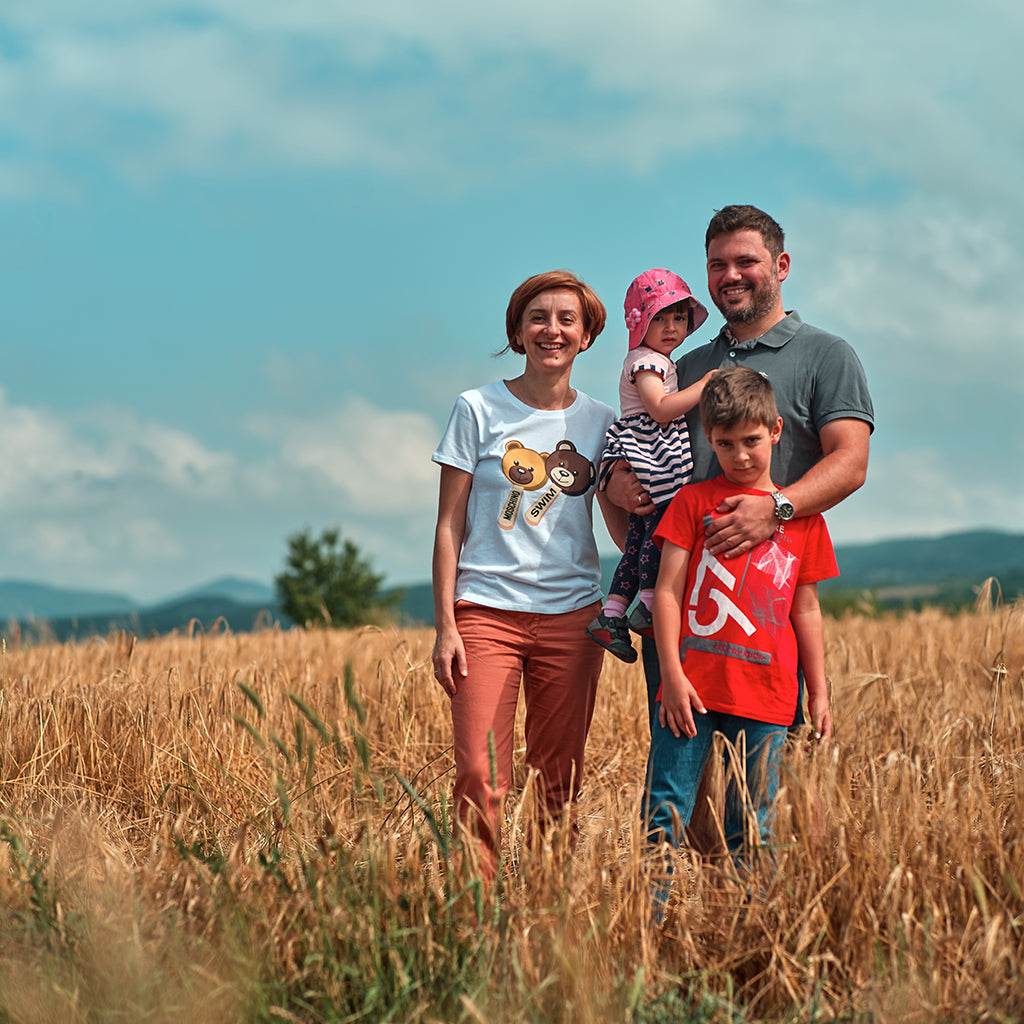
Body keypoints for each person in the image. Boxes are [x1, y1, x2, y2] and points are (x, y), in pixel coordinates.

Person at [605, 205, 873, 727]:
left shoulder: (827, 356)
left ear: (782, 266)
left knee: (773, 787)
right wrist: (614, 481)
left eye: (745, 261)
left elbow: (851, 462)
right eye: (716, 265)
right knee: (684, 782)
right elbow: (636, 448)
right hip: (683, 607)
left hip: (768, 609)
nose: (729, 276)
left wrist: (774, 509)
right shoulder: (683, 368)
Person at [431, 270, 625, 880]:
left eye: (568, 319)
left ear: (588, 336)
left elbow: (620, 528)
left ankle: (547, 913)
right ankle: (476, 917)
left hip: (573, 618)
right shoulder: (477, 408)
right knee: (479, 775)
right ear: (517, 331)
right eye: (538, 317)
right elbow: (448, 526)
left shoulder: (603, 421)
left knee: (559, 777)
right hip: (484, 614)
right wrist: (445, 625)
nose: (552, 330)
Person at [646, 367, 838, 882]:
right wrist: (672, 676)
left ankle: (753, 935)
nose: (741, 455)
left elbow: (807, 610)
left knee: (753, 824)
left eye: (752, 440)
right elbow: (666, 591)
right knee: (663, 815)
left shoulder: (803, 517)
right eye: (725, 443)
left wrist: (817, 691)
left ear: (776, 430)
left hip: (768, 695)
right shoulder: (692, 503)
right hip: (691, 691)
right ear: (709, 439)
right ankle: (647, 930)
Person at [585, 270, 715, 664]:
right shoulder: (646, 362)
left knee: (638, 542)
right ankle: (647, 605)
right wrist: (706, 384)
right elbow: (659, 410)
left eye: (678, 318)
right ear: (640, 322)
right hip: (652, 453)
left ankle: (611, 615)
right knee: (662, 529)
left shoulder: (654, 359)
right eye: (659, 318)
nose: (671, 327)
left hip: (648, 448)